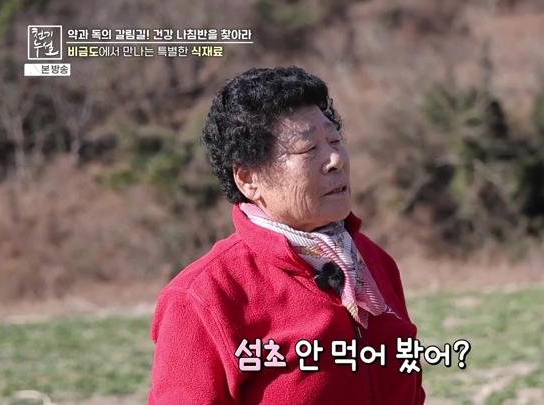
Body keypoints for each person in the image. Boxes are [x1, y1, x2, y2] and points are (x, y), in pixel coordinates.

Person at [148, 66, 425, 404]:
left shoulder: (373, 263)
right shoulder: (203, 297)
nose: (335, 160)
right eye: (308, 149)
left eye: (335, 141)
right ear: (248, 179)